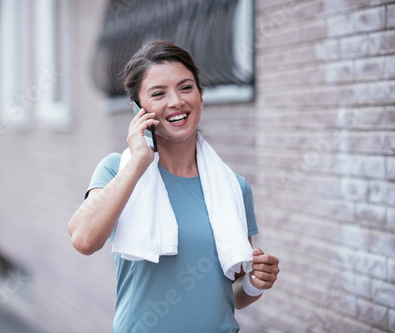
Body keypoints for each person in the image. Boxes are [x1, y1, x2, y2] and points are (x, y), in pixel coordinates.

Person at [68, 40, 279, 333]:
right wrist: (138, 163)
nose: (176, 101)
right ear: (137, 110)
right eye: (158, 93)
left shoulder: (233, 188)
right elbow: (83, 239)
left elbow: (230, 295)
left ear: (201, 96)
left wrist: (255, 284)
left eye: (186, 87)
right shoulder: (117, 170)